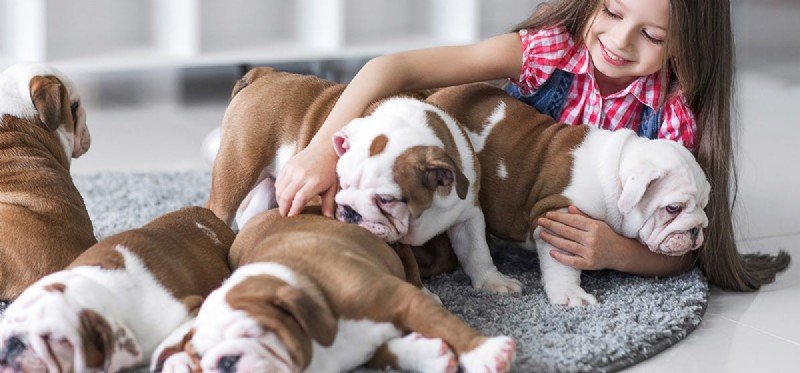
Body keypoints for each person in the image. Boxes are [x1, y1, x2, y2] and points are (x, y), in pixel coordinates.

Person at [274, 0, 790, 291]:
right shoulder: (548, 51)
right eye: (611, 10)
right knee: (363, 211)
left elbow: (685, 249)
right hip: (452, 173)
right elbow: (392, 69)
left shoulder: (670, 118)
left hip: (514, 224)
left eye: (652, 36)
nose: (620, 40)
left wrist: (619, 252)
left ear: (689, 48)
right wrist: (322, 151)